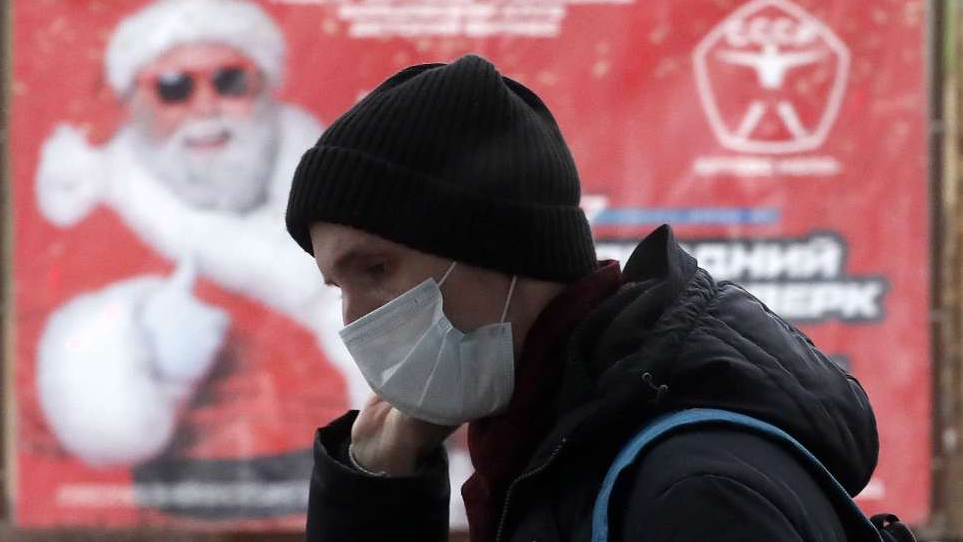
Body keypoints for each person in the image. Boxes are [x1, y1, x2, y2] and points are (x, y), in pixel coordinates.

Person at [287, 54, 886, 541]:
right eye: (339, 286)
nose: (355, 320)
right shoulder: (549, 448)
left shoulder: (686, 493)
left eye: (376, 268)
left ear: (501, 247)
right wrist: (374, 489)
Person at [29, 0, 360, 521]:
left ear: (264, 89)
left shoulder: (351, 203)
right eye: (174, 88)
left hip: (349, 500)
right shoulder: (100, 229)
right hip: (173, 511)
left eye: (229, 81)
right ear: (134, 101)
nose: (205, 107)